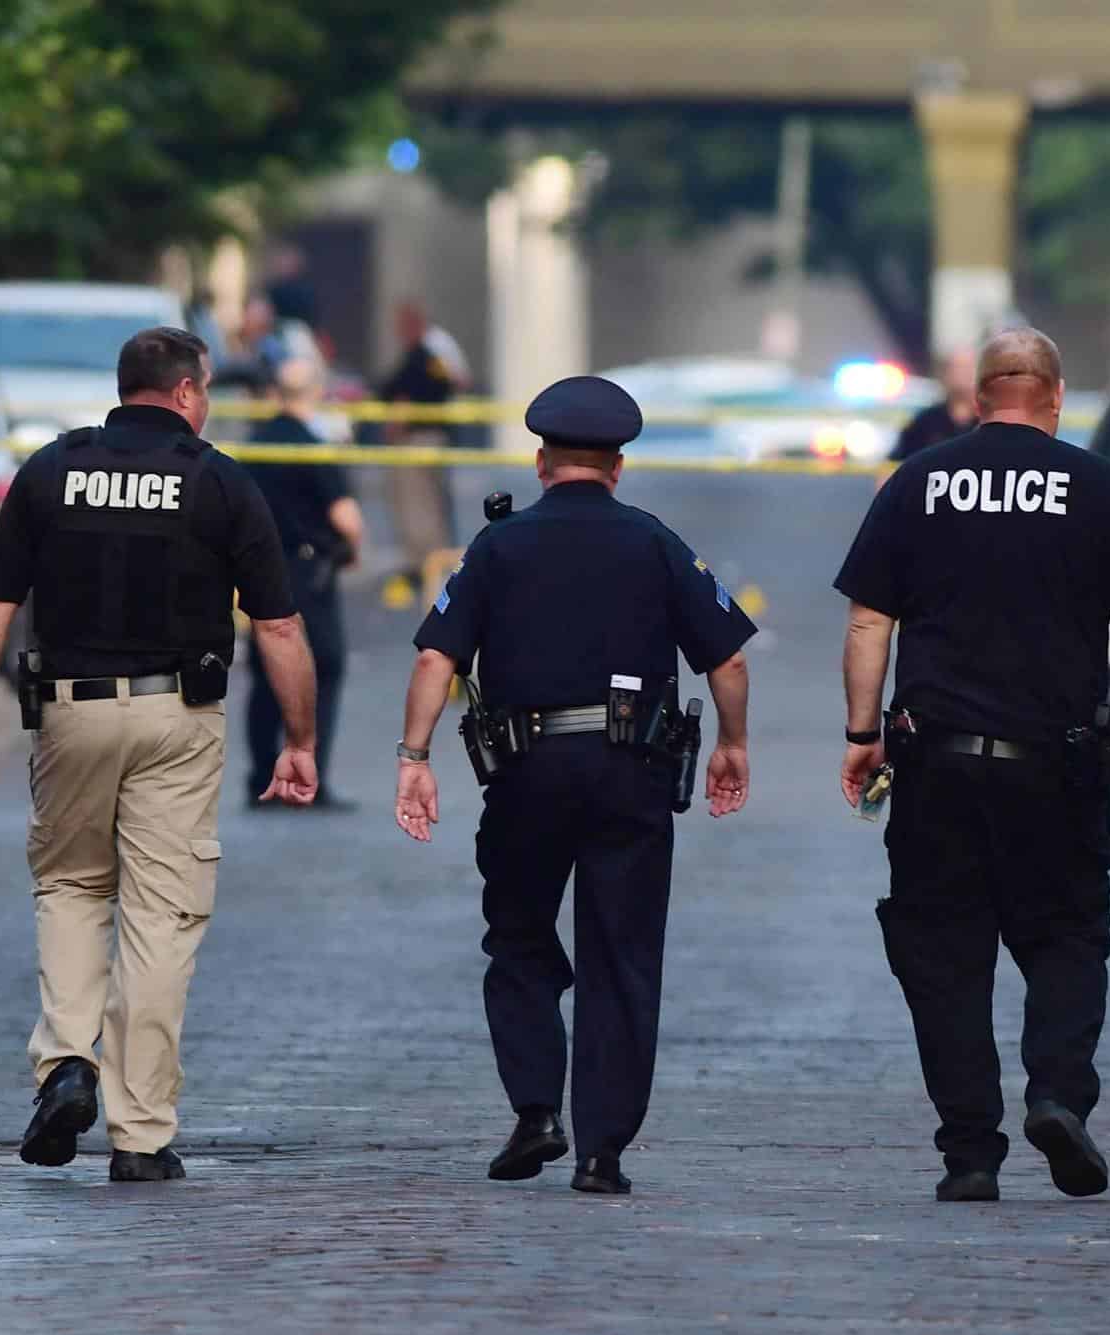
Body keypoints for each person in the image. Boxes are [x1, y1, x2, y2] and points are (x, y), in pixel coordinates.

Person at [0, 327, 319, 1183]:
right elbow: (280, 626)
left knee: (71, 886)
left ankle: (66, 1066)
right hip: (178, 716)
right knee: (162, 916)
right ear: (186, 391)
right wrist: (299, 741)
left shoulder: (50, 470)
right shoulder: (220, 480)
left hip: (68, 713)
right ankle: (140, 1136)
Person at [834, 327, 1110, 1205]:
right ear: (1056, 398)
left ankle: (969, 1155)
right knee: (1068, 936)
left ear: (980, 396)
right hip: (1055, 764)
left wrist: (861, 731)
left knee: (942, 954)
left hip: (936, 763)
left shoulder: (918, 482)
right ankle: (1057, 1095)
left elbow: (869, 622)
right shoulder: (1099, 488)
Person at [395, 375, 756, 1196]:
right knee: (621, 955)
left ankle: (536, 1111)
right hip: (632, 771)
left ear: (540, 463)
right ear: (618, 467)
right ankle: (602, 1153)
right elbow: (728, 658)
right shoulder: (655, 542)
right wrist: (733, 744)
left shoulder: (498, 546)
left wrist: (414, 757)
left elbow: (435, 657)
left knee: (518, 937)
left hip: (525, 775)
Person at [244, 355, 364, 809]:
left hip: (260, 569)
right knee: (322, 672)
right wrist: (351, 551)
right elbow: (347, 520)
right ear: (315, 392)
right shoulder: (314, 448)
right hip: (310, 573)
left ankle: (261, 780)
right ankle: (307, 782)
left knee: (265, 677)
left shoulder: (255, 445)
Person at [378, 299, 472, 590]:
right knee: (429, 503)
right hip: (432, 437)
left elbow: (406, 394)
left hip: (418, 440)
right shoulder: (429, 355)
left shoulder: (424, 355)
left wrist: (396, 423)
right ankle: (432, 566)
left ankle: (428, 567)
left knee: (420, 505)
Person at [889, 346, 977, 462]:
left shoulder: (988, 420)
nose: (963, 375)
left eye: (968, 368)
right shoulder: (925, 422)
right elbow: (898, 461)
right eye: (957, 368)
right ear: (945, 374)